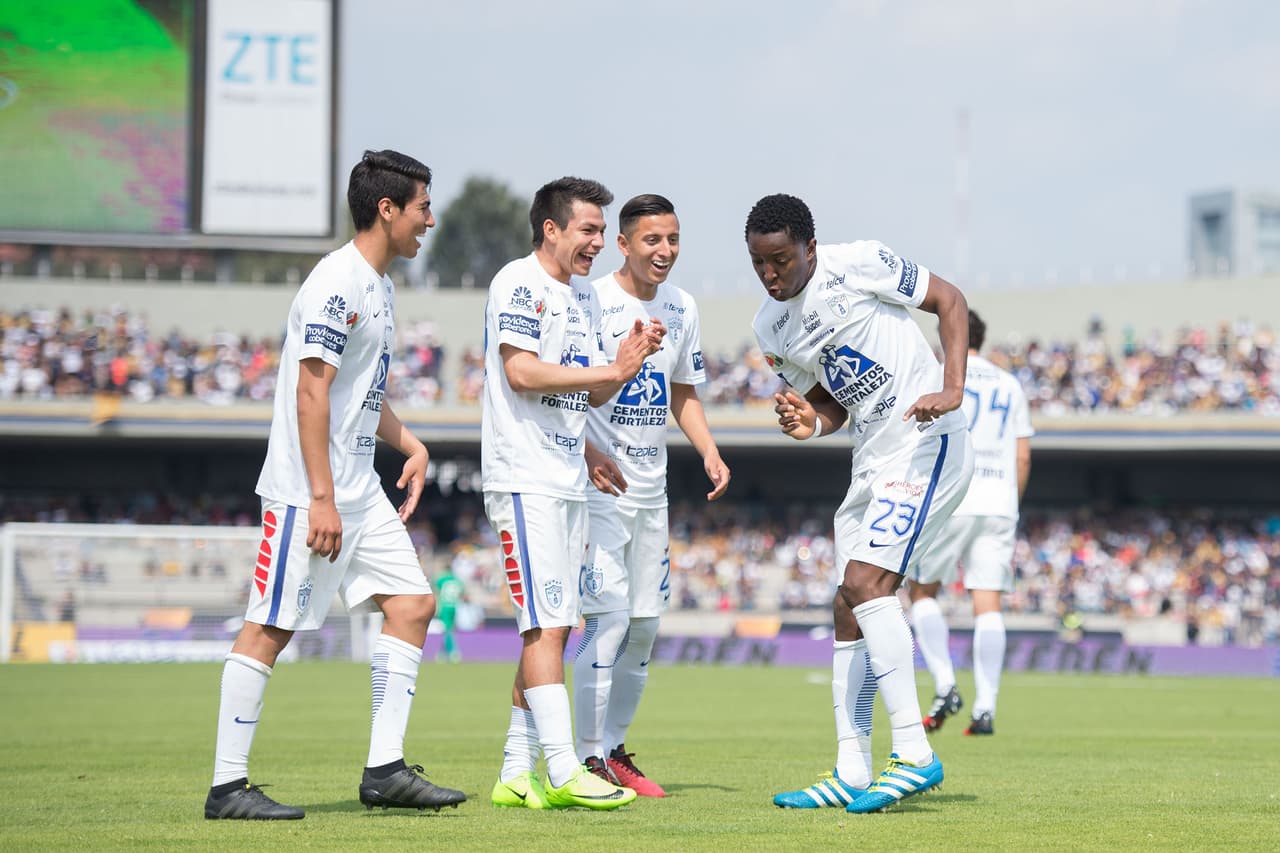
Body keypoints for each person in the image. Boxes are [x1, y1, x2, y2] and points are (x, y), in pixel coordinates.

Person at [204, 150, 465, 820]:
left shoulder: (381, 285)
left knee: (412, 604)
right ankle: (227, 786)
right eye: (423, 207)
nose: (429, 220)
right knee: (270, 625)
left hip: (357, 486)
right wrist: (320, 495)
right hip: (306, 489)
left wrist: (410, 442)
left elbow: (359, 397)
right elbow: (310, 393)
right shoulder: (336, 282)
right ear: (388, 208)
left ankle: (384, 770)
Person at [747, 193, 974, 814]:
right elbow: (834, 398)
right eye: (759, 264)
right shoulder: (769, 328)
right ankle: (851, 769)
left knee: (867, 581)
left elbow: (950, 301)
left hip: (926, 443)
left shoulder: (860, 262)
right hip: (872, 459)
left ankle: (915, 755)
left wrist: (951, 386)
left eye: (781, 261)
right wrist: (810, 424)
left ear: (810, 249)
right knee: (847, 603)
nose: (770, 275)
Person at [482, 177, 664, 811]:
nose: (595, 243)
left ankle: (513, 770)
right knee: (548, 625)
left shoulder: (581, 295)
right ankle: (562, 770)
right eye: (587, 230)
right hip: (525, 478)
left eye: (598, 230)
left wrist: (628, 362)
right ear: (552, 229)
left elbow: (587, 393)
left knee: (554, 625)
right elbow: (521, 370)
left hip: (565, 476)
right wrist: (612, 368)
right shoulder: (519, 282)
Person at [573, 194, 731, 797]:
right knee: (608, 622)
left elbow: (683, 392)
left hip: (652, 492)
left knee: (644, 626)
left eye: (673, 239)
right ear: (623, 243)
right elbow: (568, 392)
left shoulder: (682, 306)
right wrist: (589, 453)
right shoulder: (592, 301)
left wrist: (710, 451)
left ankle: (614, 751)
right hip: (600, 490)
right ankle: (586, 758)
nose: (664, 252)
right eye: (651, 240)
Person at [909, 310, 1033, 737]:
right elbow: (1022, 456)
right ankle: (986, 709)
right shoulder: (1009, 383)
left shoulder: (940, 376)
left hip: (953, 495)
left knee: (922, 591)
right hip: (999, 502)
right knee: (988, 605)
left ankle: (945, 684)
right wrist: (1008, 505)